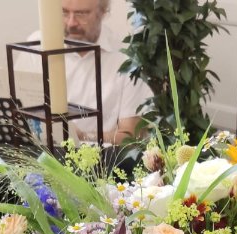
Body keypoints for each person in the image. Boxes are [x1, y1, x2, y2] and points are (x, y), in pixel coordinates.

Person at [21, 0, 151, 144]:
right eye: (64, 12)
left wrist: (81, 136)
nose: (71, 23)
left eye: (81, 14)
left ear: (103, 12)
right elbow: (17, 109)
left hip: (103, 155)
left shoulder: (125, 57)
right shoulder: (36, 46)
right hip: (38, 151)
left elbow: (131, 136)